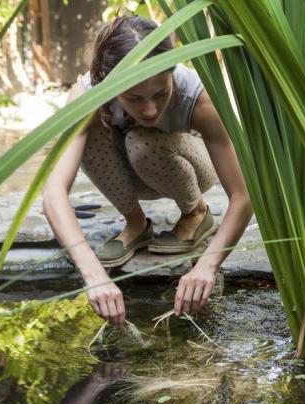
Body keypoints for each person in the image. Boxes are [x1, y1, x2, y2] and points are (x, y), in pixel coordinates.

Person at [42, 16, 252, 325]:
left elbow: (244, 196)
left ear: (171, 73)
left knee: (143, 140)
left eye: (161, 93)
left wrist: (207, 265)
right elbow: (53, 193)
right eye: (134, 98)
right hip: (128, 168)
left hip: (189, 166)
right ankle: (136, 223)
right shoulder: (89, 93)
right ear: (109, 83)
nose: (151, 109)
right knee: (90, 135)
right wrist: (93, 274)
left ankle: (195, 213)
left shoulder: (196, 94)